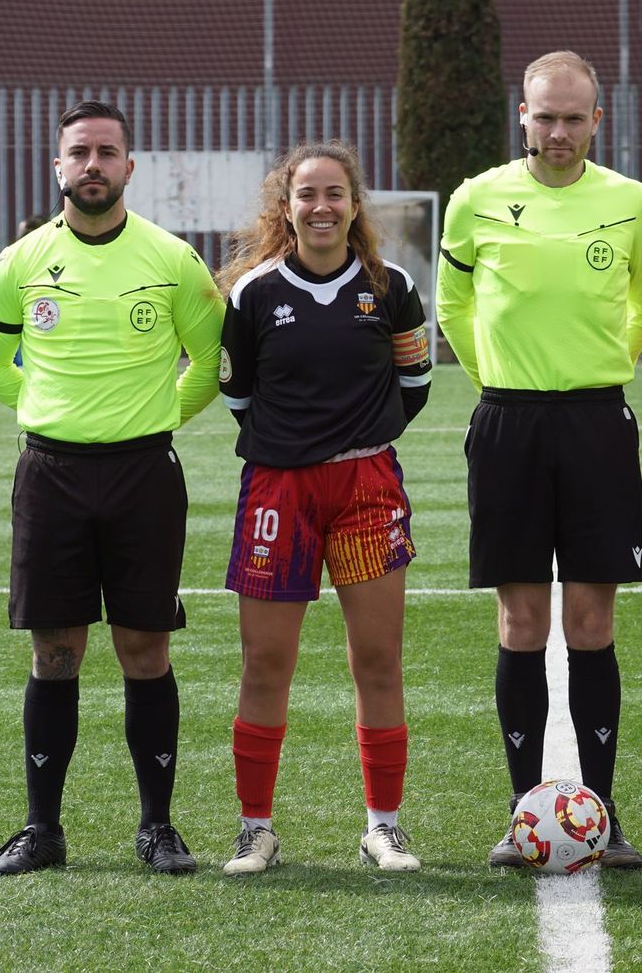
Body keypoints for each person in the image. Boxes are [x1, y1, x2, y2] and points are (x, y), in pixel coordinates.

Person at [0, 99, 225, 876]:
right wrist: (53, 412)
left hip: (146, 475)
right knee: (57, 651)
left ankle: (158, 828)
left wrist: (150, 417)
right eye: (79, 153)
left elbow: (209, 365)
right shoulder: (19, 261)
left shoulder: (173, 259)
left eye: (106, 153)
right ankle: (42, 830)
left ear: (129, 166)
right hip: (51, 476)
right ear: (58, 166)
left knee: (145, 648)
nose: (92, 166)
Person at [435, 50, 642, 869]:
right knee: (522, 623)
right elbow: (452, 305)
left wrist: (607, 358)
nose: (558, 131)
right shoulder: (476, 201)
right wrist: (494, 373)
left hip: (599, 423)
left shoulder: (629, 201)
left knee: (592, 623)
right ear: (521, 116)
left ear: (597, 120)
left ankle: (601, 814)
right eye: (545, 116)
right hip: (509, 425)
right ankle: (522, 811)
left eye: (574, 117)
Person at [214, 141, 433, 875]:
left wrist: (356, 439)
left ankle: (384, 826)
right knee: (266, 661)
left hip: (367, 487)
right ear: (287, 207)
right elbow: (238, 396)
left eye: (335, 194)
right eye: (307, 195)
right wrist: (295, 445)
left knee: (377, 658)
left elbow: (415, 386)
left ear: (354, 205)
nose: (322, 207)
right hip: (278, 490)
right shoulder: (254, 294)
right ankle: (256, 829)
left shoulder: (391, 285)